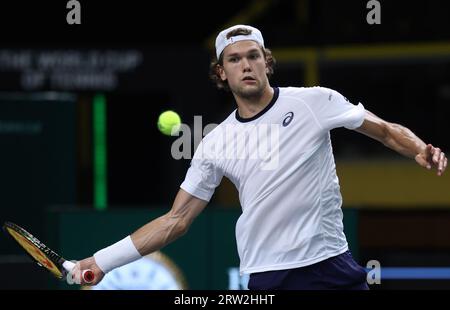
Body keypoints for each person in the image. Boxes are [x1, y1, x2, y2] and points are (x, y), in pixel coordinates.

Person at [74, 25, 447, 289]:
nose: (246, 65)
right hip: (270, 276)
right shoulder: (215, 142)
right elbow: (176, 220)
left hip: (333, 266)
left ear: (267, 63)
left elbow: (382, 129)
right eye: (234, 59)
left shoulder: (315, 101)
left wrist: (419, 150)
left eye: (253, 56)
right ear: (221, 72)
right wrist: (102, 261)